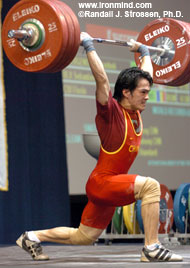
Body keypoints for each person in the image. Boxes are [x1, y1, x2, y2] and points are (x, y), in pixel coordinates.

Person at [16, 32, 183, 263]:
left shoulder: (135, 112)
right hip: (102, 183)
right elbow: (102, 80)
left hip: (109, 186)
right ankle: (151, 247)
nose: (147, 96)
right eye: (143, 93)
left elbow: (145, 76)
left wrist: (144, 51)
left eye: (147, 92)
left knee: (83, 236)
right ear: (126, 92)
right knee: (151, 187)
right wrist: (88, 45)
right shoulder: (111, 112)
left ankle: (31, 237)